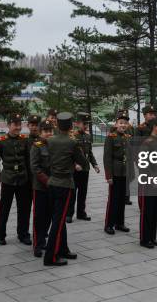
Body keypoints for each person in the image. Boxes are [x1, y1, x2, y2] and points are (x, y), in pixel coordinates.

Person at [43, 112, 89, 266]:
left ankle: (63, 249)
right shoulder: (72, 142)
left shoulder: (50, 141)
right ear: (70, 126)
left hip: (52, 183)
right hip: (65, 185)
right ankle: (51, 256)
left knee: (59, 219)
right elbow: (82, 161)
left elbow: (47, 160)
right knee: (58, 221)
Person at [0, 113, 32, 245]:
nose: (18, 127)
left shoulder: (24, 139)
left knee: (24, 208)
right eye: (15, 125)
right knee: (4, 207)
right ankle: (0, 234)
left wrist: (30, 177)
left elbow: (28, 159)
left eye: (19, 124)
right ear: (9, 125)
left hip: (23, 179)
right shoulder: (1, 140)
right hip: (8, 179)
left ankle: (23, 233)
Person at [138, 116, 157, 248]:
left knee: (155, 210)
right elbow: (142, 164)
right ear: (155, 127)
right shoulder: (147, 143)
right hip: (149, 183)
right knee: (147, 210)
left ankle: (152, 237)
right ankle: (145, 239)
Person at [67, 112, 100, 223]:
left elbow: (89, 153)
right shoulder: (72, 136)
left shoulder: (87, 136)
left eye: (87, 123)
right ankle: (69, 214)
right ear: (77, 123)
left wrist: (94, 164)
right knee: (72, 192)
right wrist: (74, 164)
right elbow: (68, 154)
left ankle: (81, 213)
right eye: (83, 123)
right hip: (75, 169)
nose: (85, 125)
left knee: (83, 192)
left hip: (85, 169)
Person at [103, 109, 132, 235]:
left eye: (125, 123)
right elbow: (107, 158)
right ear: (116, 124)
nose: (123, 125)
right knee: (113, 199)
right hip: (114, 172)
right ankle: (109, 224)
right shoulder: (111, 138)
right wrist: (108, 176)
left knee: (121, 199)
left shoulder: (127, 137)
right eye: (121, 122)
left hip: (124, 172)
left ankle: (120, 223)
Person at [30, 120, 54, 257]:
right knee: (39, 216)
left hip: (54, 186)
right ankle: (37, 244)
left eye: (50, 130)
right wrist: (47, 180)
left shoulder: (54, 145)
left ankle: (43, 239)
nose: (49, 133)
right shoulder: (36, 146)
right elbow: (35, 168)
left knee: (50, 215)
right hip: (40, 187)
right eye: (46, 131)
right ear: (40, 132)